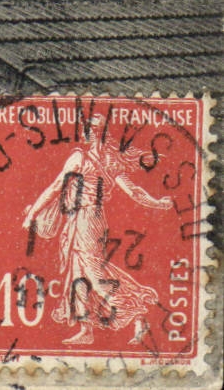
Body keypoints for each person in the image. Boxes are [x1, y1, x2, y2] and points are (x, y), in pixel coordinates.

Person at [23, 114, 174, 345]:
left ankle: (135, 313)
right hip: (81, 218)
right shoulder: (104, 159)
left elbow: (56, 187)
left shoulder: (84, 158)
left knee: (94, 273)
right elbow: (134, 192)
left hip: (87, 219)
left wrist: (33, 213)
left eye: (93, 130)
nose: (91, 134)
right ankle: (86, 330)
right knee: (77, 273)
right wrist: (157, 202)